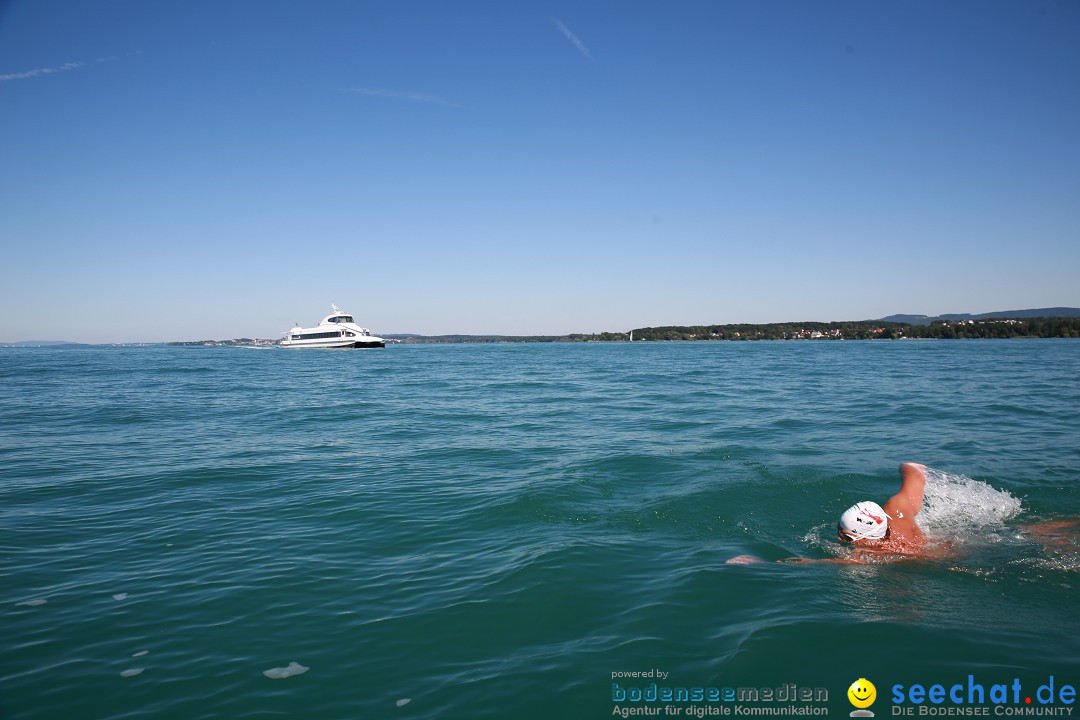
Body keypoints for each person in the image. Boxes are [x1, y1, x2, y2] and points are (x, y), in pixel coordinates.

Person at [727, 462, 930, 565]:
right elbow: (914, 475)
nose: (838, 537)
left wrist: (761, 563)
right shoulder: (896, 510)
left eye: (846, 536)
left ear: (869, 538)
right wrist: (906, 467)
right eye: (839, 530)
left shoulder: (871, 555)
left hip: (929, 558)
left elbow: (813, 564)